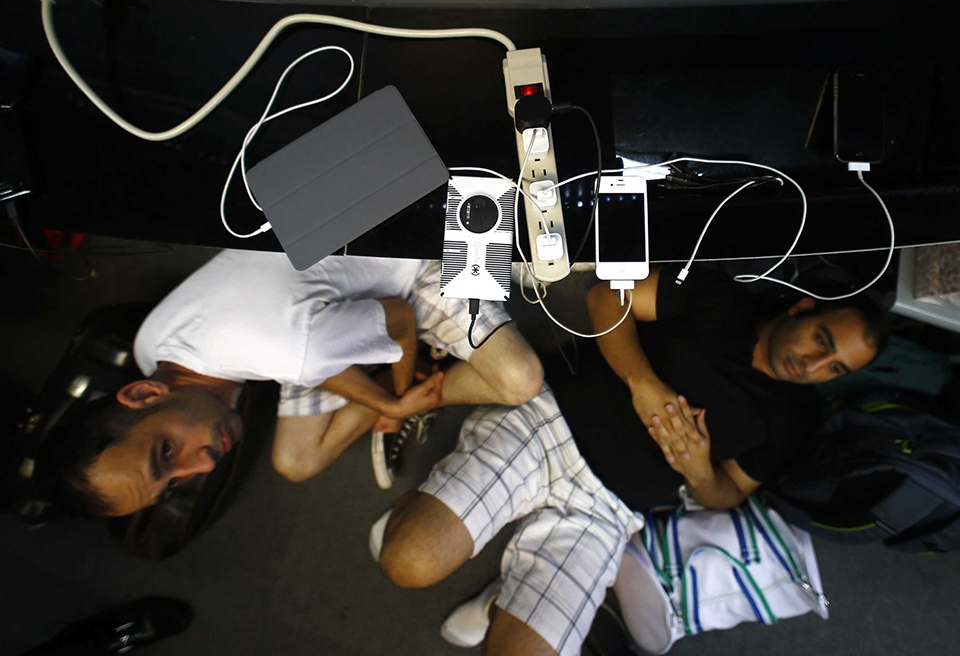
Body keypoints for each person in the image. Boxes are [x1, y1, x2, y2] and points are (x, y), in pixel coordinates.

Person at [372, 264, 885, 656]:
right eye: (821, 341)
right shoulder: (724, 300)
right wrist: (643, 384)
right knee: (407, 561)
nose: (813, 365)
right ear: (802, 308)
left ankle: (499, 592)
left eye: (834, 368)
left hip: (607, 512)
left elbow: (727, 495)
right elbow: (606, 297)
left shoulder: (793, 419)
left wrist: (697, 468)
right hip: (549, 424)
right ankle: (441, 513)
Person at [35, 251, 543, 518]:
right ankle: (403, 394)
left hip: (411, 265)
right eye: (172, 484)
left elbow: (400, 320)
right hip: (318, 305)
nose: (202, 465)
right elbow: (295, 351)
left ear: (144, 394)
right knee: (295, 461)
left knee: (520, 380)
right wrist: (382, 401)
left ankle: (425, 387)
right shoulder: (152, 349)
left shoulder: (285, 349)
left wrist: (396, 395)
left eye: (167, 452)